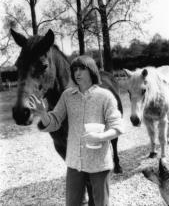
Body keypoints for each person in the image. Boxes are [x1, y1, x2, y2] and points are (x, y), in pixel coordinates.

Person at [29, 55, 124, 206]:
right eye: (74, 70)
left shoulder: (106, 96)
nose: (77, 73)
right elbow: (54, 122)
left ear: (92, 71)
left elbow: (118, 127)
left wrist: (100, 137)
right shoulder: (67, 96)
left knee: (100, 204)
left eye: (82, 69)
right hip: (75, 163)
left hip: (98, 162)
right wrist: (43, 114)